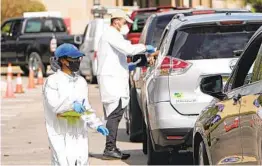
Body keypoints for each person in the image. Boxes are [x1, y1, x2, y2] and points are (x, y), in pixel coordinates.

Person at [97, 10, 155, 160]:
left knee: (116, 112)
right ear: (116, 21)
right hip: (111, 80)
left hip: (114, 78)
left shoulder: (113, 35)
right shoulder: (111, 35)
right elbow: (128, 49)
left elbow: (119, 56)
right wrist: (145, 47)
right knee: (114, 113)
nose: (126, 26)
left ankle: (112, 147)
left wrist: (130, 65)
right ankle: (109, 148)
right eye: (124, 22)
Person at [43, 43, 109, 166]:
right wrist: (71, 105)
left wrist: (96, 124)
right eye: (74, 59)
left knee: (82, 161)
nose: (78, 61)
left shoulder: (80, 82)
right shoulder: (53, 81)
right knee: (63, 162)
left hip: (79, 133)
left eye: (79, 58)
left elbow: (86, 107)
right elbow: (54, 106)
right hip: (60, 133)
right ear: (63, 60)